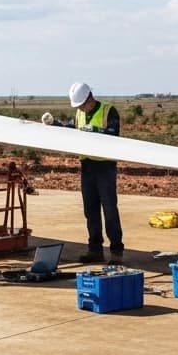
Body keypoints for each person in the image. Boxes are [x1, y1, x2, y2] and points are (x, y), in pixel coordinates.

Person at [45, 82, 124, 264]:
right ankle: (95, 249)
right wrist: (55, 124)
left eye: (82, 104)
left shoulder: (108, 111)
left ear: (90, 98)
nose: (80, 108)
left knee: (110, 210)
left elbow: (113, 133)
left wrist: (96, 131)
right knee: (91, 211)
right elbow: (75, 129)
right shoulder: (80, 112)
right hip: (87, 167)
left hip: (105, 167)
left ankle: (116, 251)